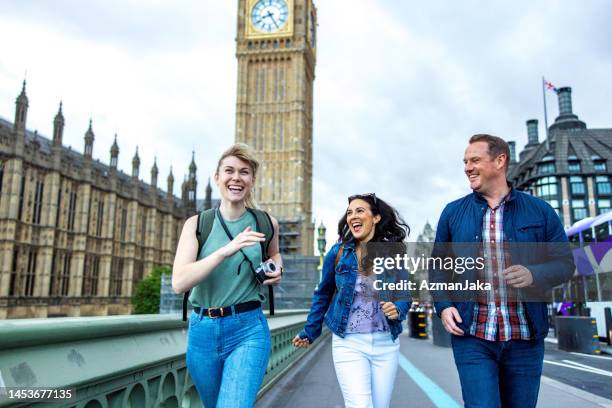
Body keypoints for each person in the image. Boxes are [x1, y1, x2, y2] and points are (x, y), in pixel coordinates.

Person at [429, 134, 574, 408]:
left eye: (474, 160)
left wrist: (534, 274)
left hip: (525, 339)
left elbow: (565, 264)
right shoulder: (452, 213)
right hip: (473, 336)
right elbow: (438, 266)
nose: (467, 167)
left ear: (499, 161)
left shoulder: (540, 211)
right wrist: (444, 306)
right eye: (465, 162)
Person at [172, 143, 282, 408]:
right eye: (229, 171)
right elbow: (179, 283)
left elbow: (274, 254)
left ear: (252, 180)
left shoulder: (267, 222)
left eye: (244, 172)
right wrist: (227, 250)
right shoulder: (197, 224)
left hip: (249, 329)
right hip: (202, 330)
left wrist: (278, 267)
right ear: (217, 177)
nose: (236, 178)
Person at [293, 193, 411, 408]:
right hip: (349, 343)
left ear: (375, 217)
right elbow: (323, 294)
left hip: (386, 343)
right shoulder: (338, 253)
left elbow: (404, 294)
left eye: (359, 211)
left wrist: (398, 309)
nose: (352, 216)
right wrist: (310, 331)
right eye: (349, 213)